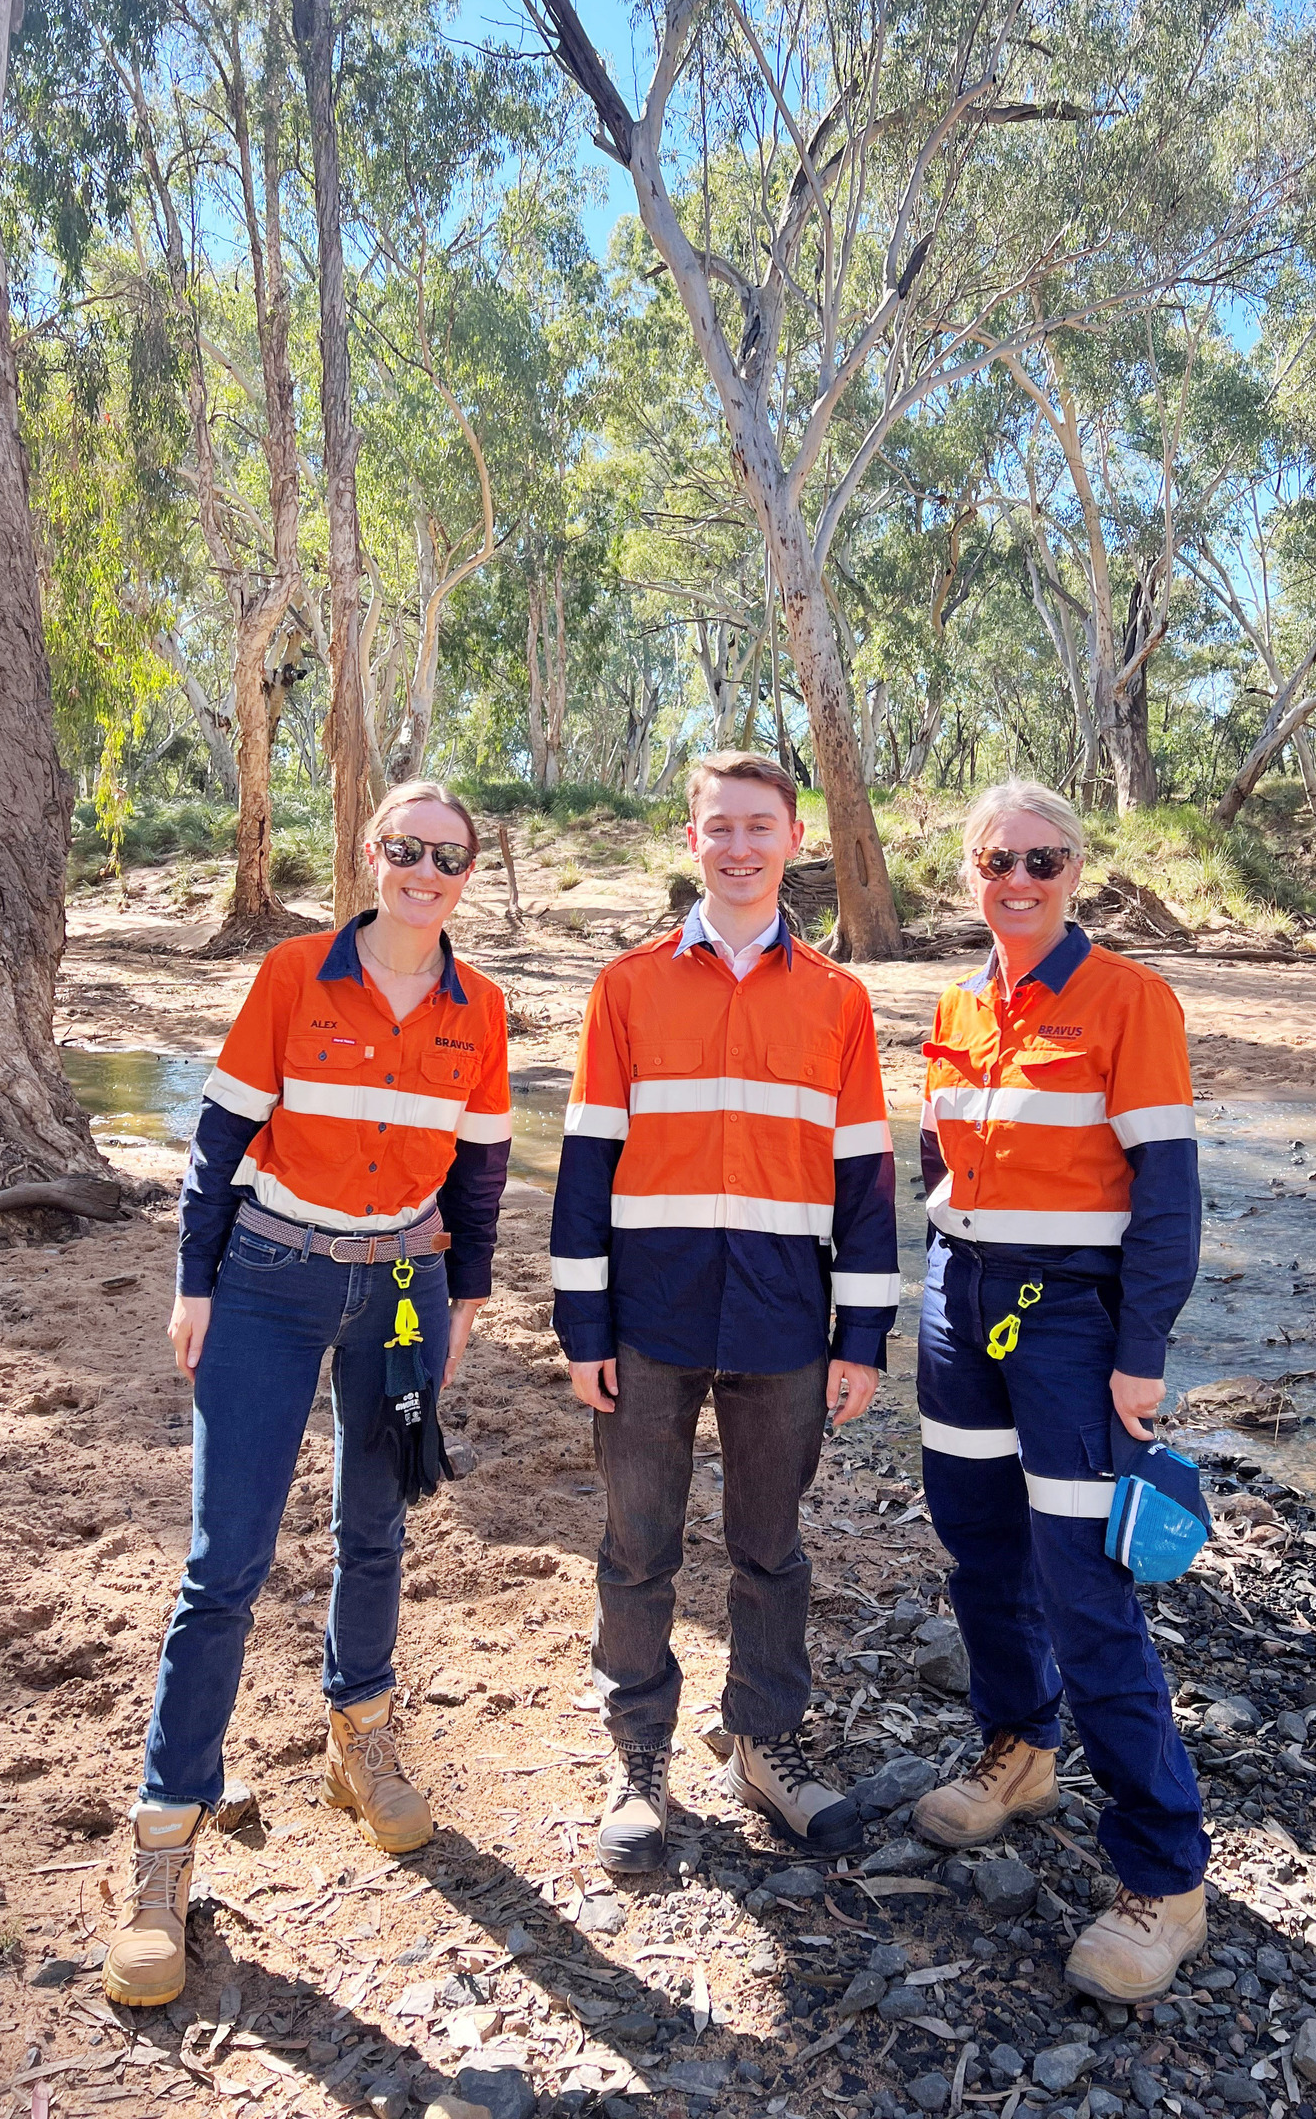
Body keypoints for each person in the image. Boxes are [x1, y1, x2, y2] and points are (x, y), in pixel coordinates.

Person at [102, 780, 511, 2008]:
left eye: (447, 856)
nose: (423, 871)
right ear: (370, 853)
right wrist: (196, 1286)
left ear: (466, 874)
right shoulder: (291, 974)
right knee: (223, 1563)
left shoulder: (482, 1006)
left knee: (373, 1532)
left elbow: (483, 1175)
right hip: (270, 1281)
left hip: (402, 1289)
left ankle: (360, 1736)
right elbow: (217, 1142)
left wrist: (467, 1305)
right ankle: (166, 1841)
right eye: (404, 849)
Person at [551, 751, 899, 1872]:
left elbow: (866, 1181)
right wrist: (583, 1328)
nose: (740, 847)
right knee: (635, 1549)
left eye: (760, 827)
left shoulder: (839, 1001)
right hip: (649, 1320)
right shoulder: (627, 986)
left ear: (793, 840)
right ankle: (638, 1759)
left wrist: (864, 1340)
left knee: (772, 1551)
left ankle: (764, 1743)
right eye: (720, 828)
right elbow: (586, 1167)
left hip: (783, 1321)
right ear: (690, 839)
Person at [908, 779, 1208, 2003]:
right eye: (997, 860)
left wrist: (1141, 1351)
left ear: (1075, 870)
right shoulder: (957, 1001)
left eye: (1043, 859)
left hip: (1071, 1325)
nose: (1019, 880)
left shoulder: (1131, 1000)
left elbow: (1170, 1194)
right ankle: (1021, 1747)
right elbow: (941, 1158)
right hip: (956, 1303)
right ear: (970, 874)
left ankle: (1165, 1875)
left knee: (1088, 1588)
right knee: (979, 1548)